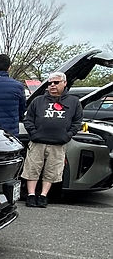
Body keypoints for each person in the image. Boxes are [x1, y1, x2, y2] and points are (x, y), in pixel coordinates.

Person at [22, 72, 83, 206]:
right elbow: (28, 119)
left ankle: (43, 196)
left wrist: (68, 135)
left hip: (58, 144)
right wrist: (33, 133)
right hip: (37, 142)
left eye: (56, 82)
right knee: (32, 169)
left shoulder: (74, 102)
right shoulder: (38, 100)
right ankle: (31, 195)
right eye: (50, 83)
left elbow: (77, 122)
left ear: (64, 83)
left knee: (52, 171)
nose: (52, 86)